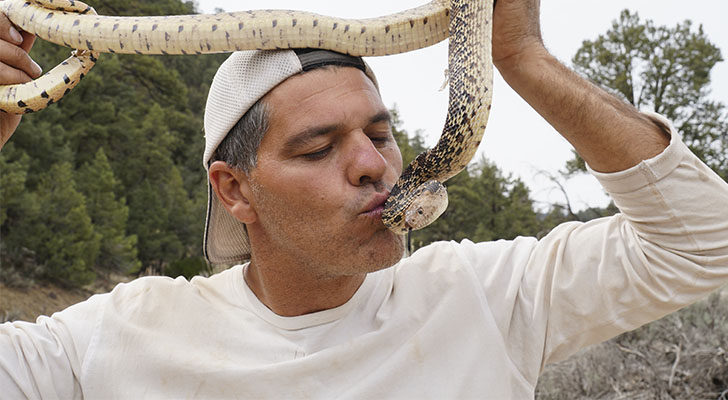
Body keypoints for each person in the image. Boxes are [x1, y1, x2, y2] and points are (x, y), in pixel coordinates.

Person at [1, 0, 727, 398]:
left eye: (381, 134)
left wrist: (523, 61)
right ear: (235, 189)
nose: (373, 166)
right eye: (317, 148)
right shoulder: (116, 336)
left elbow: (703, 243)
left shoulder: (484, 294)